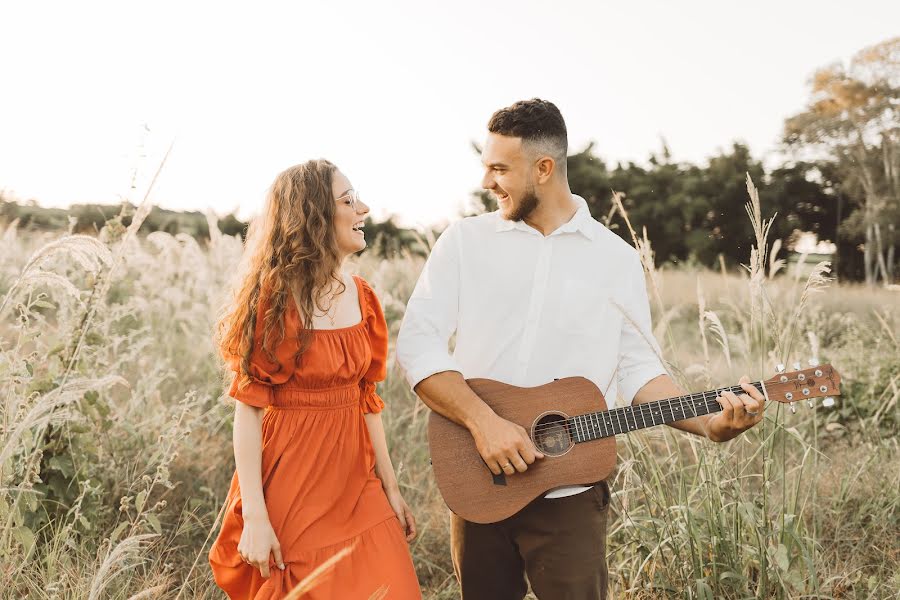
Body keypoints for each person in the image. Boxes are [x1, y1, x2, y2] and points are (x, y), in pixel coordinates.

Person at [396, 99, 765, 600]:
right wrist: (486, 424)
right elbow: (419, 342)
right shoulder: (464, 241)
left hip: (571, 491)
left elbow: (638, 369)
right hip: (479, 479)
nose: (488, 182)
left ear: (544, 168)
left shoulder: (616, 259)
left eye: (500, 168)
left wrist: (710, 425)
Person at [209, 159, 421, 599]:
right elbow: (248, 411)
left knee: (394, 586)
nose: (362, 207)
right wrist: (256, 517)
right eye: (347, 200)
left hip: (358, 484)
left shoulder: (365, 300)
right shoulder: (274, 300)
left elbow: (368, 402)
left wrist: (391, 489)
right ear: (313, 217)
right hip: (293, 485)